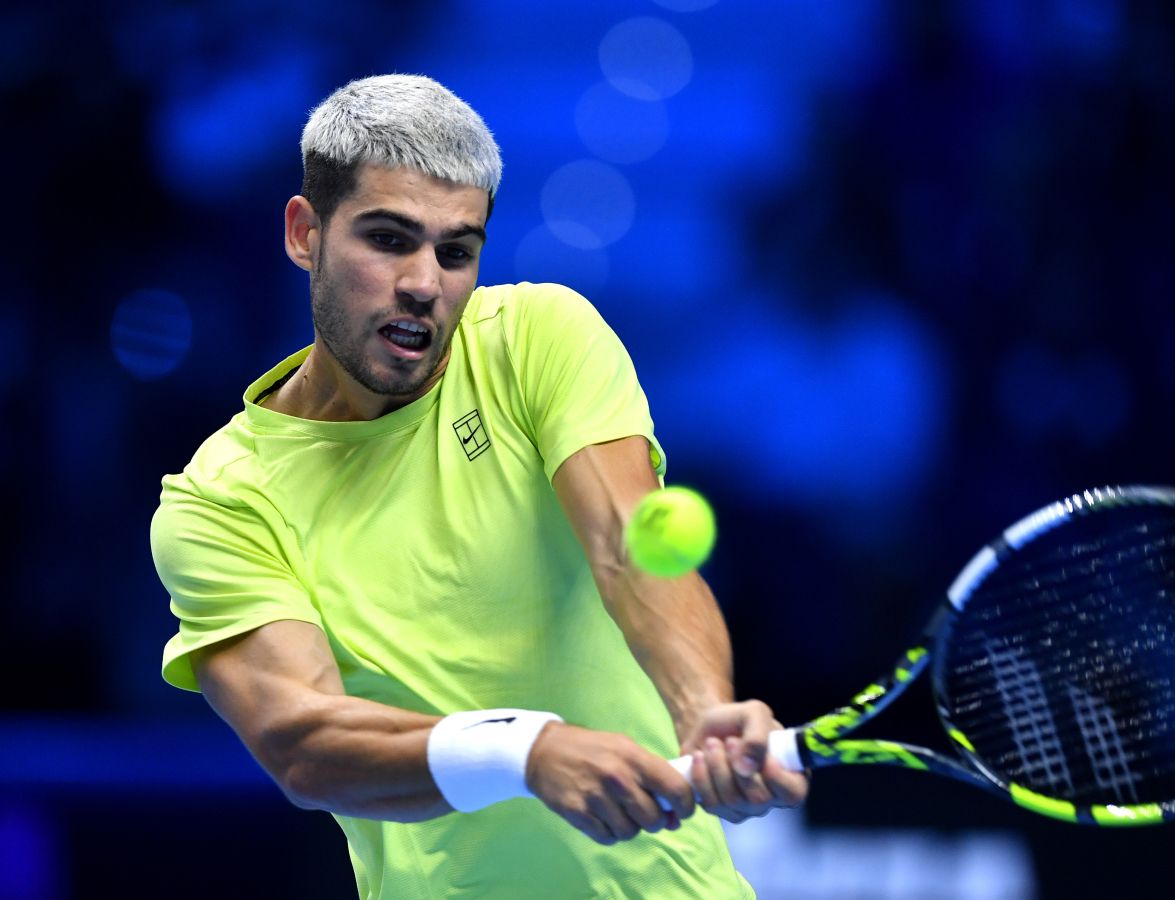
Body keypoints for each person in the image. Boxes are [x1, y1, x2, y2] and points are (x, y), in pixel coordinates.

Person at [150, 73, 807, 898]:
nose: (424, 283)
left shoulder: (538, 337)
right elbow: (303, 743)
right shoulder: (220, 501)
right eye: (388, 239)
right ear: (304, 233)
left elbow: (627, 544)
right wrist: (522, 750)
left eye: (455, 251)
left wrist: (703, 708)